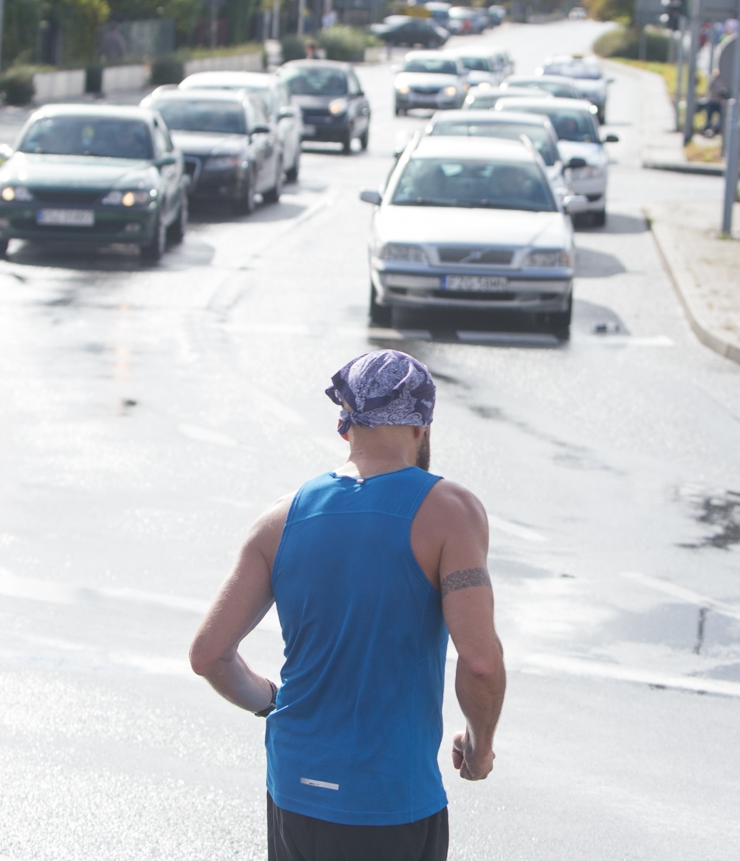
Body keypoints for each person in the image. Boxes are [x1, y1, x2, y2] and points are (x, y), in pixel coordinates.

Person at [189, 351, 504, 861]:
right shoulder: (451, 512)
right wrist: (481, 747)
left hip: (294, 791)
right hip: (389, 799)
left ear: (345, 426)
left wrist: (271, 701)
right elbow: (482, 663)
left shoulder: (280, 519)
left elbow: (208, 655)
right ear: (421, 426)